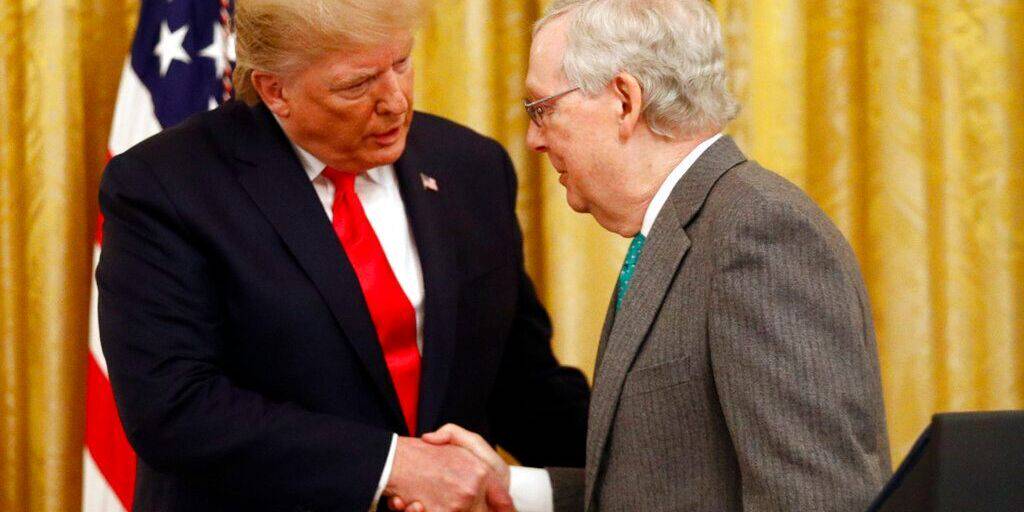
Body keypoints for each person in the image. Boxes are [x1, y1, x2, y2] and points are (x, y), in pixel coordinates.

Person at [96, 0, 590, 510]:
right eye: (357, 85)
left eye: (401, 63)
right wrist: (392, 465)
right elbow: (175, 409)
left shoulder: (470, 166)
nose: (396, 101)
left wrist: (654, 463)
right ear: (275, 90)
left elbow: (522, 386)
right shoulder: (165, 187)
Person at [421, 0, 892, 511]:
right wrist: (510, 489)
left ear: (625, 100)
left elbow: (816, 499)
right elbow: (672, 488)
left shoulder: (759, 233)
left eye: (542, 109)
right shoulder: (682, 232)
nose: (534, 139)